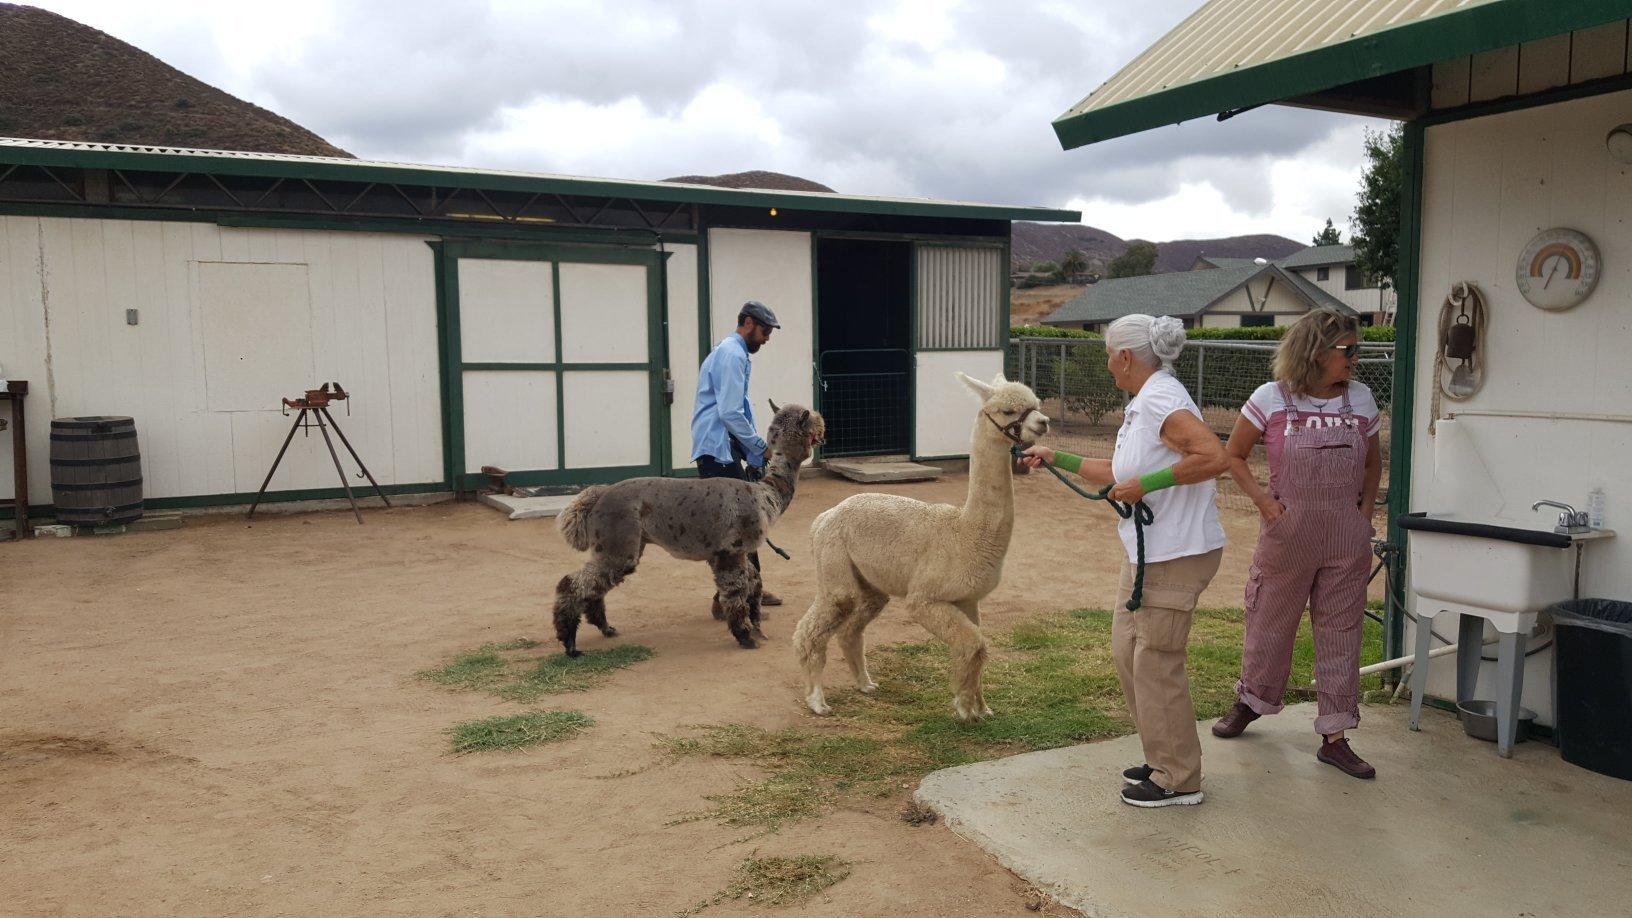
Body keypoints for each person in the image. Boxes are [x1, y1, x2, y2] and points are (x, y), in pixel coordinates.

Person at [1021, 314, 1229, 808]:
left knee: (1156, 661)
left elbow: (1214, 456)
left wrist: (1146, 487)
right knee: (1128, 652)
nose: (1107, 362)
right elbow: (1118, 471)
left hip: (1176, 551)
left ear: (1125, 357)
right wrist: (1057, 458)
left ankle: (1178, 778)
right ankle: (1163, 755)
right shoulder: (1145, 402)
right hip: (1147, 551)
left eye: (1108, 352)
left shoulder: (1160, 398)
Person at [1212, 308, 1382, 778]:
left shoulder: (1363, 399)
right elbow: (1234, 456)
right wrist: (1266, 505)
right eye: (1348, 350)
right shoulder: (1270, 398)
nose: (1355, 359)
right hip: (1287, 535)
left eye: (1356, 350)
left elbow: (1372, 463)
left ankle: (1335, 734)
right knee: (1269, 621)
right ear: (1316, 352)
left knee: (1342, 633)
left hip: (1346, 539)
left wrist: (1364, 513)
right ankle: (1252, 701)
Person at [691, 300, 783, 606]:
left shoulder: (735, 353)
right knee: (734, 526)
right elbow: (730, 412)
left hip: (722, 448)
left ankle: (749, 588)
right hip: (718, 450)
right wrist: (760, 448)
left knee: (745, 522)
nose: (767, 338)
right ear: (747, 323)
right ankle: (732, 597)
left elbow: (735, 410)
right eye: (765, 331)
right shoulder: (731, 355)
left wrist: (752, 454)